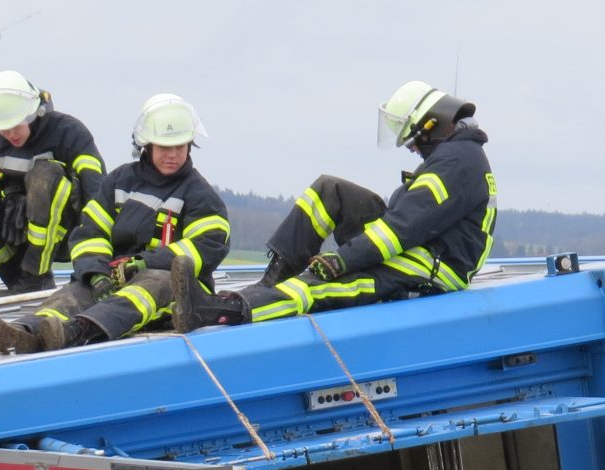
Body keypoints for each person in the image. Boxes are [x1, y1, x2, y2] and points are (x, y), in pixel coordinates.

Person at [171, 80, 494, 330]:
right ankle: (272, 283)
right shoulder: (456, 157)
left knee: (316, 287)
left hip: (426, 269)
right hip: (417, 248)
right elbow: (407, 224)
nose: (412, 150)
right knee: (330, 190)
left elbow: (400, 230)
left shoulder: (455, 162)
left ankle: (219, 310)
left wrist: (341, 261)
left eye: (412, 141)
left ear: (432, 126)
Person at [0, 95, 228, 355]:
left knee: (150, 286)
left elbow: (207, 246)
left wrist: (143, 263)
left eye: (179, 147)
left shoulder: (200, 195)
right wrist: (97, 274)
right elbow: (90, 233)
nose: (172, 155)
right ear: (146, 146)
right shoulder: (120, 181)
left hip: (176, 287)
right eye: (164, 147)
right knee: (75, 293)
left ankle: (75, 331)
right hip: (113, 274)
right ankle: (23, 331)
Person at [0, 72, 106, 311]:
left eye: (15, 126)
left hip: (67, 234)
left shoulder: (68, 133)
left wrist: (95, 265)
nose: (10, 135)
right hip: (16, 230)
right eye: (3, 129)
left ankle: (35, 274)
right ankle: (21, 281)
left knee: (44, 176)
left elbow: (97, 194)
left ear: (32, 114)